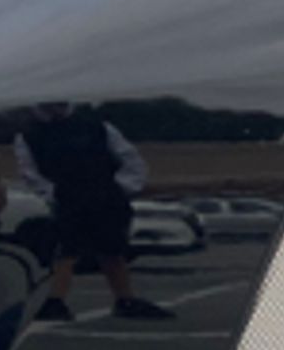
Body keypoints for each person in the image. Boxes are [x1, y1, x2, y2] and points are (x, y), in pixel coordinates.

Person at [12, 105, 171, 322]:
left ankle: (125, 299)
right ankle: (54, 301)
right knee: (65, 251)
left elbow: (130, 159)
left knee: (112, 249)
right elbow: (30, 174)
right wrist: (55, 195)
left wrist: (119, 188)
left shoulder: (97, 127)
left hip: (106, 196)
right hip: (67, 199)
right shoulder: (29, 137)